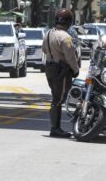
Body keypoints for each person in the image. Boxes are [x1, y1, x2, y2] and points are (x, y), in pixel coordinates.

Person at [41, 8, 80, 138]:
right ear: (69, 22)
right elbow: (70, 57)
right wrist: (75, 70)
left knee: (55, 96)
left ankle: (55, 127)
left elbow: (44, 50)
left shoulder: (48, 34)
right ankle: (55, 128)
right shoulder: (66, 37)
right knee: (59, 99)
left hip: (49, 67)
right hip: (61, 70)